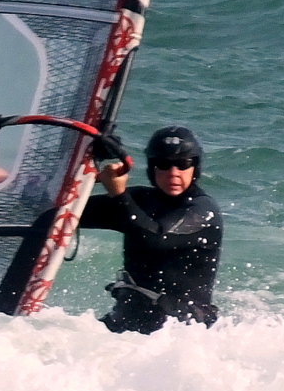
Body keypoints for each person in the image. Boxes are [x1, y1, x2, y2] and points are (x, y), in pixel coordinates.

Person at [80, 125, 222, 333]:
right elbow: (72, 213)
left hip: (179, 334)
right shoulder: (140, 200)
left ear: (195, 168)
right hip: (123, 326)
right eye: (163, 164)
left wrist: (119, 195)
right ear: (152, 168)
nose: (173, 173)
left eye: (183, 164)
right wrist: (85, 170)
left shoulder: (202, 211)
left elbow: (155, 238)